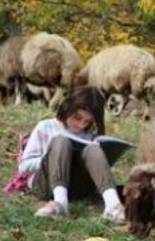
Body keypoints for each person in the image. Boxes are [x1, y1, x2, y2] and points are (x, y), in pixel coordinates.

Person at [19, 86, 126, 222]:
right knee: (61, 142)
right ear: (68, 107)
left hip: (78, 188)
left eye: (87, 121)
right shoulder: (45, 127)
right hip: (46, 185)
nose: (81, 125)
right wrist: (51, 157)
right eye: (77, 117)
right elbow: (23, 166)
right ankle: (60, 203)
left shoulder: (89, 136)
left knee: (92, 149)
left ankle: (113, 206)